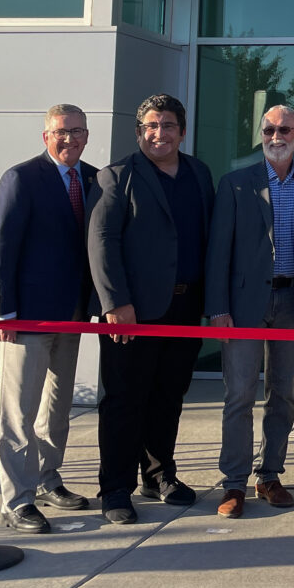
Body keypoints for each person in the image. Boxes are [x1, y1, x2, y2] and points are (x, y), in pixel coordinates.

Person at [88, 94, 215, 525]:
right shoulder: (116, 176)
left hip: (186, 306)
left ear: (183, 131)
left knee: (169, 395)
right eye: (151, 125)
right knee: (124, 399)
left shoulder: (199, 173)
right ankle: (115, 488)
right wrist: (115, 303)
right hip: (132, 311)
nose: (159, 133)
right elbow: (102, 242)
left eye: (168, 125)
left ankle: (159, 474)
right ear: (140, 131)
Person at [204, 105, 294, 519]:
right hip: (242, 306)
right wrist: (218, 308)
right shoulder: (236, 183)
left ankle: (270, 475)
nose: (276, 136)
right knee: (239, 394)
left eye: (285, 130)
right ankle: (234, 483)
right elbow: (218, 251)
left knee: (283, 394)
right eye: (269, 129)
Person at [0, 104, 98, 533]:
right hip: (27, 316)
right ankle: (16, 501)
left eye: (77, 131)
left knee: (56, 407)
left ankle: (48, 479)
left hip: (72, 314)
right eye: (61, 131)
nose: (70, 139)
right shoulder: (21, 178)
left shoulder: (94, 179)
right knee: (18, 412)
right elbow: (1, 248)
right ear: (46, 136)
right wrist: (5, 312)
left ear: (87, 136)